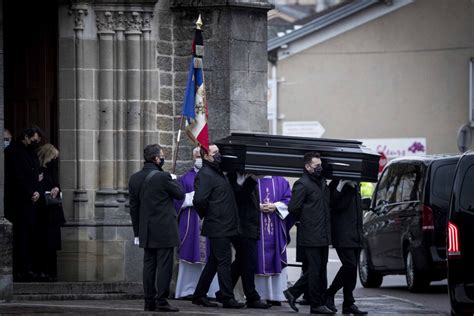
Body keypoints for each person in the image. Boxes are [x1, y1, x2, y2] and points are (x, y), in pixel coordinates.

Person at [128, 144, 184, 312]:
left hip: (146, 228)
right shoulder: (163, 177)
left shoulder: (135, 178)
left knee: (149, 265)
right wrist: (174, 180)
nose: (163, 158)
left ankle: (149, 300)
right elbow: (180, 194)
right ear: (156, 159)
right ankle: (161, 300)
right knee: (164, 265)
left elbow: (134, 207)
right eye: (161, 155)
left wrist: (137, 231)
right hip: (164, 228)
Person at [191, 144, 245, 309]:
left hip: (225, 225)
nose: (219, 155)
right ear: (207, 156)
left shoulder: (217, 172)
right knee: (224, 261)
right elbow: (199, 201)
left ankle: (199, 295)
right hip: (218, 225)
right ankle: (227, 298)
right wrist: (211, 214)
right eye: (215, 153)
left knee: (214, 262)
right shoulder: (205, 174)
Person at [284, 152, 334, 314]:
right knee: (314, 270)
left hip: (323, 233)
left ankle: (293, 293)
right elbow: (293, 208)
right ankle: (315, 304)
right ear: (307, 167)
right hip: (311, 234)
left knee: (319, 270)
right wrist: (305, 221)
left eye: (320, 165)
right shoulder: (302, 184)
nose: (320, 168)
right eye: (316, 165)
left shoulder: (321, 183)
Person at [217, 172, 271, 309]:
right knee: (248, 262)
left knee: (243, 261)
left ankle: (224, 292)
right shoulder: (231, 178)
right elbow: (239, 198)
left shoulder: (245, 179)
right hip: (242, 228)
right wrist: (251, 180)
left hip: (249, 227)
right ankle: (251, 297)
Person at [174, 147, 218, 299]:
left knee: (212, 256)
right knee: (190, 255)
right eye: (196, 155)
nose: (199, 158)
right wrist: (191, 198)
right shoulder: (185, 178)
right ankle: (187, 290)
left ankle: (211, 291)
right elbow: (177, 200)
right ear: (193, 157)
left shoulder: (215, 176)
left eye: (201, 155)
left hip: (209, 221)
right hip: (191, 223)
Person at [5, 127, 42, 282]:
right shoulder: (14, 151)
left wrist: (37, 192)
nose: (35, 143)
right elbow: (17, 176)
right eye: (34, 140)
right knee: (20, 237)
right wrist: (29, 192)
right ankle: (20, 270)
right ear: (26, 137)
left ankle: (28, 269)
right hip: (19, 202)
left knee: (29, 236)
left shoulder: (31, 153)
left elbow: (38, 175)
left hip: (32, 202)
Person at [325, 179, 367, 315]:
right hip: (342, 234)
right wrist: (342, 186)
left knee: (352, 269)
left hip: (356, 234)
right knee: (349, 265)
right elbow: (334, 205)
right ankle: (329, 293)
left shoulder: (356, 185)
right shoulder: (336, 184)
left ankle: (348, 303)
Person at [254, 175, 292, 305]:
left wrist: (276, 206)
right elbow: (242, 199)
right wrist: (257, 206)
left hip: (275, 225)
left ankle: (276, 295)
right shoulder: (252, 178)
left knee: (275, 256)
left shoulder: (281, 181)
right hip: (256, 225)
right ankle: (259, 294)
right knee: (257, 257)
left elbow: (289, 199)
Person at [35, 144, 65, 282]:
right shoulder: (39, 170)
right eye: (54, 157)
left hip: (53, 212)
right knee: (42, 243)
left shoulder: (52, 171)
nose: (55, 160)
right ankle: (43, 271)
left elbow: (56, 185)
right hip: (42, 212)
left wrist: (56, 189)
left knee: (52, 244)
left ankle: (52, 272)